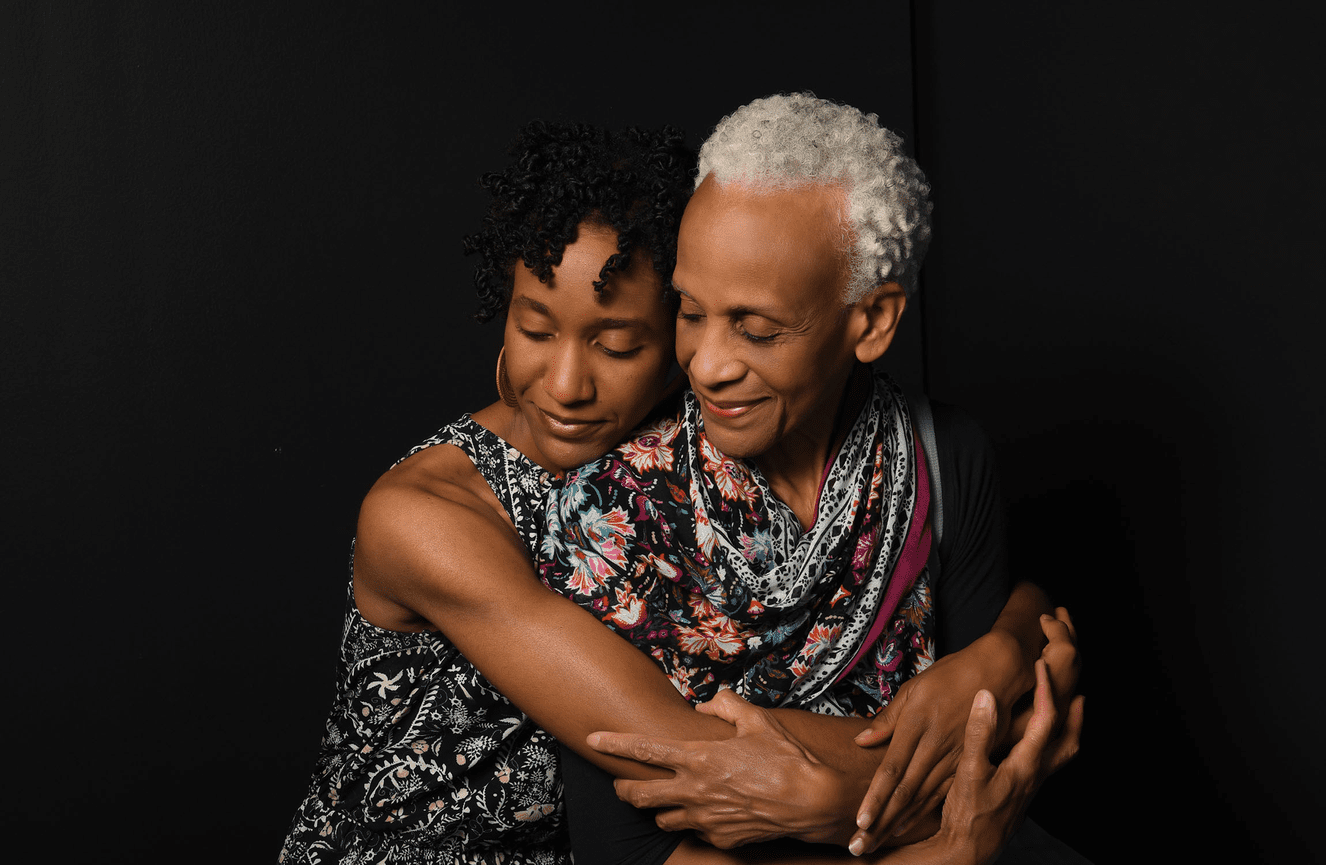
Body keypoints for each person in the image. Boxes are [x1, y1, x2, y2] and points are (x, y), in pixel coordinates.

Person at [282, 109, 1079, 865]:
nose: (565, 384)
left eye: (619, 344)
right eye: (533, 329)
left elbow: (976, 573)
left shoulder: (718, 422)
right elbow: (690, 757)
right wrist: (898, 782)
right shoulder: (444, 517)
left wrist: (999, 653)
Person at [529, 93, 1088, 864]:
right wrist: (861, 814)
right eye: (690, 312)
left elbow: (995, 756)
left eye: (756, 328)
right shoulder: (610, 513)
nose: (709, 364)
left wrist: (993, 658)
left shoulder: (942, 455)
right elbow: (623, 847)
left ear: (872, 321)